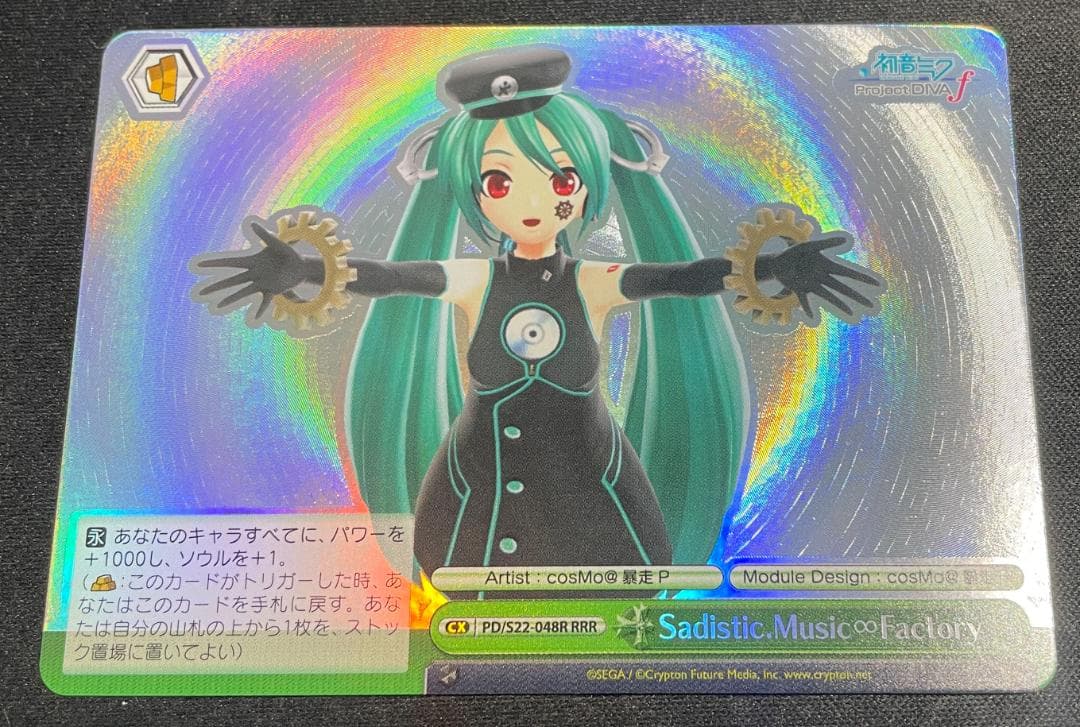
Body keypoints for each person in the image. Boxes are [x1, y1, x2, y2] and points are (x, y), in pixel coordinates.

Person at [191, 47, 881, 598]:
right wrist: (301, 269)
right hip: (474, 500)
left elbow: (685, 277)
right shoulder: (474, 281)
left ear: (582, 185)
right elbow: (387, 276)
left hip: (595, 505)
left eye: (560, 178)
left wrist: (774, 267)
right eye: (498, 181)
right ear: (471, 190)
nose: (531, 200)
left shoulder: (592, 282)